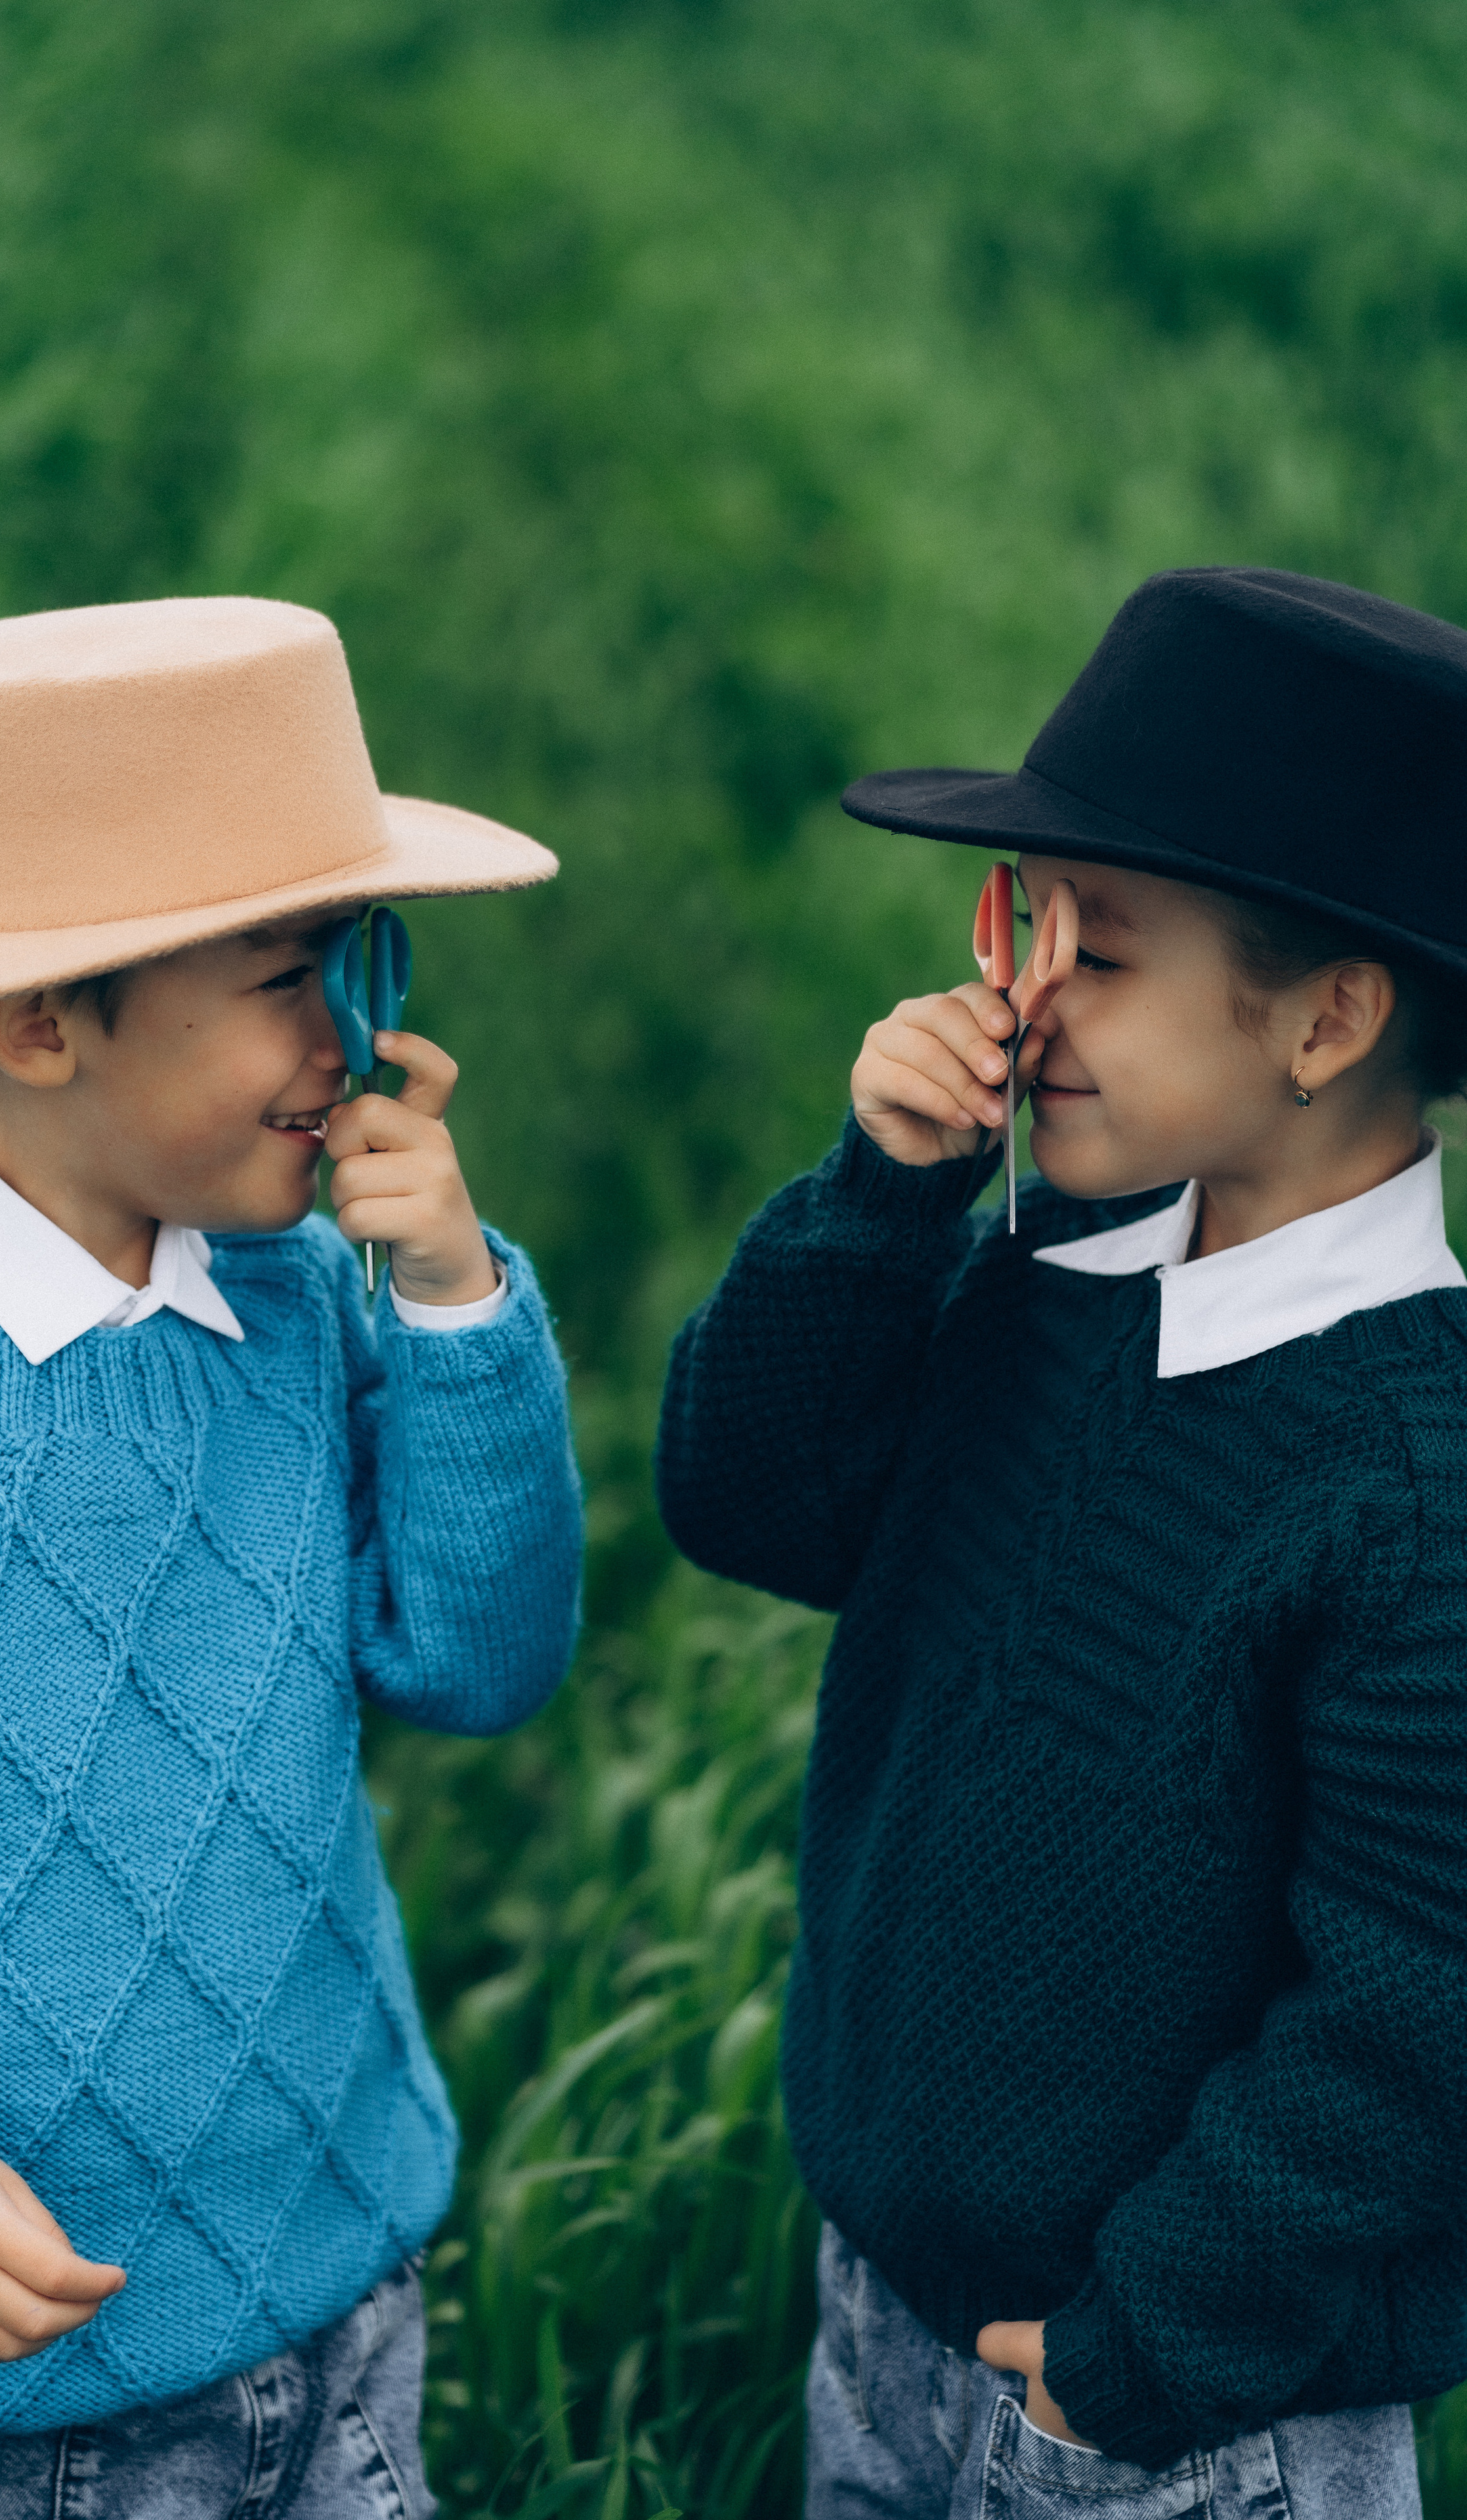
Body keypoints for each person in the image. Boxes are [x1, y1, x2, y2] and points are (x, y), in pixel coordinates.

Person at [656, 568, 1467, 2519]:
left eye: (1096, 954)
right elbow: (754, 1501)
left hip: (1180, 2416)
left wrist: (1141, 2357)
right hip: (895, 2318)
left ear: (1330, 1018)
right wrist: (883, 1197)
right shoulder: (1057, 1274)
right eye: (1021, 932)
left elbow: (1421, 1995)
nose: (1016, 1002)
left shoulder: (1413, 1481)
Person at [0, 597, 584, 2517]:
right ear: (43, 1016)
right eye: (289, 976)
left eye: (359, 962)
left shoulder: (300, 1303)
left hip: (341, 2309)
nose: (360, 1040)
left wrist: (456, 1303)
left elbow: (481, 1662)